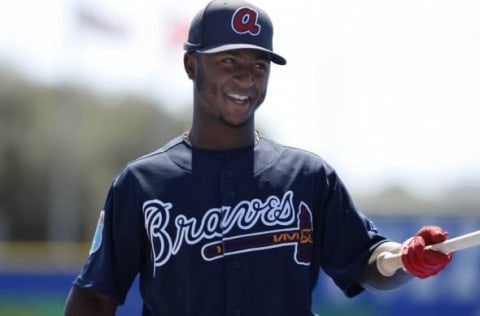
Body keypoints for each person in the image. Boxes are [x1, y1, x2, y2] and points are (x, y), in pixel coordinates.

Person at [63, 0, 453, 315]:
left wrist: (404, 259)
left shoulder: (308, 176)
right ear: (192, 64)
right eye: (229, 61)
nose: (246, 78)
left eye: (258, 66)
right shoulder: (141, 183)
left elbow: (369, 261)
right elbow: (96, 297)